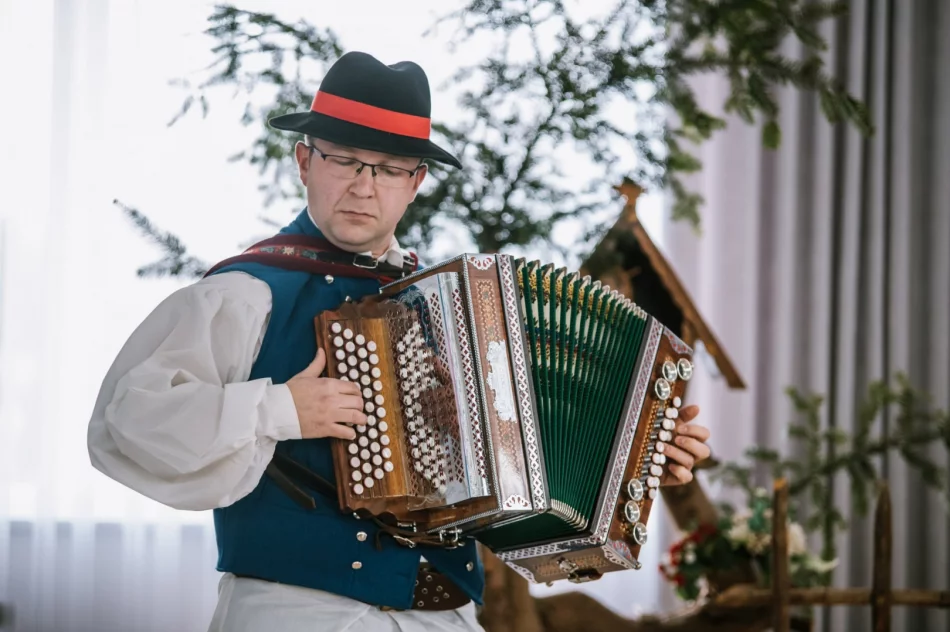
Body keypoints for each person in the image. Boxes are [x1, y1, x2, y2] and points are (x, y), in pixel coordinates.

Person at [87, 51, 712, 632]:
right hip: (298, 614)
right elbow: (126, 423)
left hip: (445, 616)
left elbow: (517, 477)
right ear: (305, 161)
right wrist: (279, 409)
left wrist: (643, 451)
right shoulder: (249, 293)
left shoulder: (461, 315)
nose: (365, 186)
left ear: (414, 183)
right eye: (345, 160)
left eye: (388, 170)